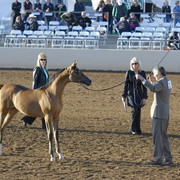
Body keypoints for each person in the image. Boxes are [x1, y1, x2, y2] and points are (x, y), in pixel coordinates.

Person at [135, 66, 173, 166]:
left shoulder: (161, 82)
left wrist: (142, 79)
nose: (154, 75)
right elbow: (158, 88)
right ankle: (168, 158)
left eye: (155, 74)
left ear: (159, 74)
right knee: (163, 136)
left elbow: (154, 88)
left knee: (157, 137)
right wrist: (151, 82)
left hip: (159, 113)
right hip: (164, 113)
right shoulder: (167, 82)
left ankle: (158, 159)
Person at [21, 53, 49, 129]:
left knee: (43, 109)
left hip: (44, 91)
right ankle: (27, 120)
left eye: (44, 60)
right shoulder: (37, 69)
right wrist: (34, 92)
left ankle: (44, 125)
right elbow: (35, 81)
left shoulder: (45, 70)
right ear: (39, 61)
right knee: (41, 109)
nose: (43, 61)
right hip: (39, 92)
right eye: (42, 60)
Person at [122, 57, 148, 135]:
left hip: (139, 94)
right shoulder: (129, 72)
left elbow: (144, 86)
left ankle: (137, 128)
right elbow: (125, 85)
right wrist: (124, 95)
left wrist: (144, 97)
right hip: (131, 94)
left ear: (139, 64)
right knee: (135, 110)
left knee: (138, 111)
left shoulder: (142, 73)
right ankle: (134, 129)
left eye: (135, 63)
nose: (134, 65)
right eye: (132, 64)